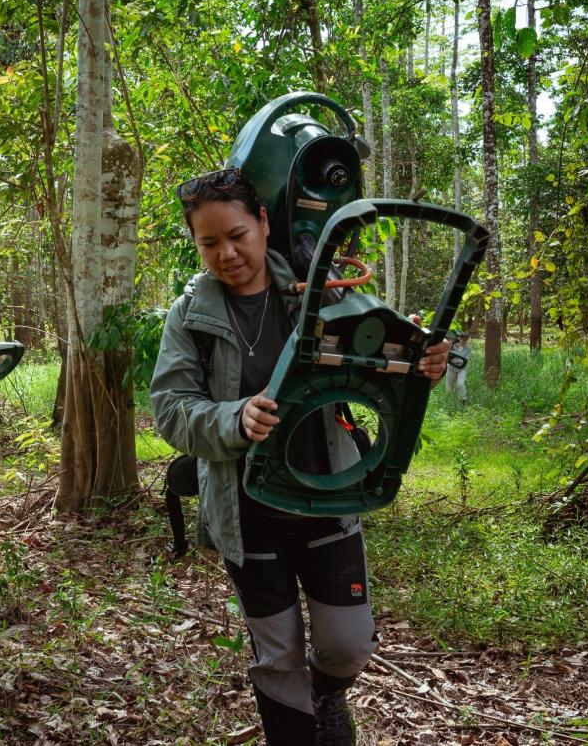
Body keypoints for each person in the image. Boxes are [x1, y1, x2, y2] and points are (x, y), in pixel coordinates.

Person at [149, 169, 449, 745]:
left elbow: (383, 358)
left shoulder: (324, 288)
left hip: (327, 496)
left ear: (263, 223)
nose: (227, 253)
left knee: (347, 645)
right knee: (277, 654)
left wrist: (423, 365)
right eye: (208, 242)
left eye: (237, 234)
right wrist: (231, 417)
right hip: (246, 511)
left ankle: (328, 693)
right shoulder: (189, 316)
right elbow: (170, 408)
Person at [446, 332, 471, 404]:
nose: (463, 341)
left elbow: (465, 360)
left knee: (460, 384)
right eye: (462, 339)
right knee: (449, 386)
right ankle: (450, 402)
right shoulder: (453, 346)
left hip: (462, 369)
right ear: (459, 339)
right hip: (451, 368)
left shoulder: (468, 349)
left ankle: (463, 400)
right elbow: (448, 355)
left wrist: (456, 360)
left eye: (465, 340)